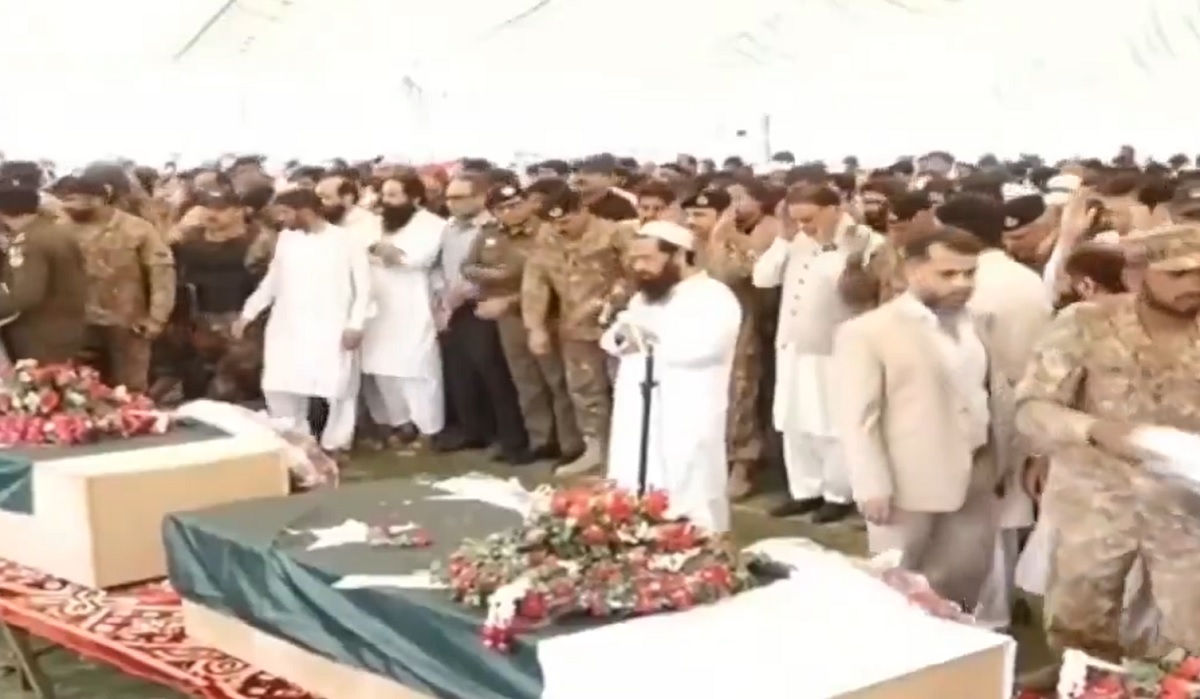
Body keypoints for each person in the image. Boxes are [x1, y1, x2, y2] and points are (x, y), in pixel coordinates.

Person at [1015, 223, 1200, 689]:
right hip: (1096, 502)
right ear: (1137, 274)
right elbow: (1032, 408)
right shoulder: (1086, 324)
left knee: (1190, 633)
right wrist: (1095, 430)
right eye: (1177, 274)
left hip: (1185, 509)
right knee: (1079, 625)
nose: (1193, 285)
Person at [834, 227, 1015, 610]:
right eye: (948, 274)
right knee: (897, 589)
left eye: (969, 273)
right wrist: (871, 484)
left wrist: (1004, 462)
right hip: (906, 483)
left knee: (963, 582)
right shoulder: (868, 331)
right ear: (912, 270)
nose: (962, 283)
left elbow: (993, 393)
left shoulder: (980, 322)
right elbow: (858, 416)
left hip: (978, 474)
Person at [602, 220, 742, 533]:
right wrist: (626, 336)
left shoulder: (714, 296)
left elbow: (706, 347)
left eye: (647, 258)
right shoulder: (644, 297)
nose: (639, 267)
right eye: (635, 259)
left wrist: (650, 338)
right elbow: (614, 338)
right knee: (634, 470)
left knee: (689, 478)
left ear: (678, 255)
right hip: (637, 405)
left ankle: (696, 542)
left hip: (687, 405)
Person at [755, 184, 882, 523]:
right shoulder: (794, 240)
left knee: (833, 423)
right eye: (796, 219)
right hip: (793, 345)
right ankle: (804, 490)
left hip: (836, 348)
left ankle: (838, 493)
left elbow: (859, 291)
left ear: (834, 209)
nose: (804, 227)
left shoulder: (864, 240)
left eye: (809, 219)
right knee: (794, 421)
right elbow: (763, 278)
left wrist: (840, 251)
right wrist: (783, 239)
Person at [233, 188, 370, 455]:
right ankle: (297, 439)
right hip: (288, 325)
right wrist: (248, 313)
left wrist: (356, 324)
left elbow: (364, 287)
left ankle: (336, 443)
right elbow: (272, 281)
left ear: (305, 211)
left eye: (285, 213)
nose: (281, 219)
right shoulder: (287, 239)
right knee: (279, 385)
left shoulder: (347, 240)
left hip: (332, 325)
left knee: (337, 389)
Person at [466, 183, 582, 463]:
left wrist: (509, 298)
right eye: (503, 208)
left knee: (557, 381)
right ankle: (540, 439)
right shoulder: (489, 234)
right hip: (508, 320)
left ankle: (569, 443)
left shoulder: (546, 232)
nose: (511, 211)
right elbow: (468, 266)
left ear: (528, 203)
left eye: (516, 204)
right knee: (526, 380)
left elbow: (553, 281)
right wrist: (494, 275)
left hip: (545, 314)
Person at [59, 173, 176, 392]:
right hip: (76, 322)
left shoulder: (137, 229)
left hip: (127, 323)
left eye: (78, 200)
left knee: (130, 389)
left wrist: (157, 317)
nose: (70, 207)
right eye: (66, 201)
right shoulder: (60, 229)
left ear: (101, 199)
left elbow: (161, 272)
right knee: (77, 389)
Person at [359, 173, 447, 447]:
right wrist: (381, 251)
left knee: (417, 370)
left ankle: (428, 430)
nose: (386, 201)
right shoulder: (373, 223)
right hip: (377, 307)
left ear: (415, 198)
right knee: (383, 370)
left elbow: (415, 259)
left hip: (413, 306)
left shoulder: (433, 225)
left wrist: (382, 252)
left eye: (394, 195)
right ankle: (401, 424)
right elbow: (361, 250)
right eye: (384, 195)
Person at [0, 178, 88, 363]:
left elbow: (25, 295)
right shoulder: (57, 231)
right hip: (66, 326)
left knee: (40, 379)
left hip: (38, 332)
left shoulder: (29, 241)